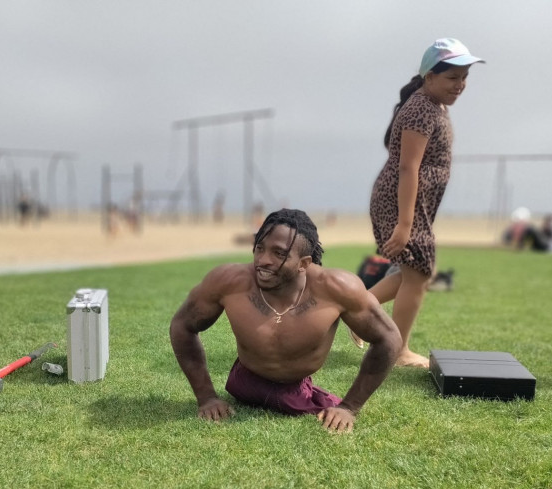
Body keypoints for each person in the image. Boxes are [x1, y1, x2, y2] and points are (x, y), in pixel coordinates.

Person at [170, 209, 402, 433]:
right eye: (259, 248)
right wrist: (206, 397)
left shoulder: (337, 289)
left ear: (304, 263)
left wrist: (349, 407)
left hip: (298, 390)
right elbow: (183, 325)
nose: (263, 260)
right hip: (244, 382)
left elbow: (388, 339)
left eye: (279, 254)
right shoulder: (228, 281)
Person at [352, 38, 484, 368]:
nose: (460, 85)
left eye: (464, 76)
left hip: (412, 203)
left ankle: (356, 307)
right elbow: (408, 167)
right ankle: (397, 350)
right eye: (452, 77)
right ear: (429, 77)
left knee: (416, 273)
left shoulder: (434, 107)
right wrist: (405, 224)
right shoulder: (421, 109)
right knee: (419, 273)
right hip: (401, 203)